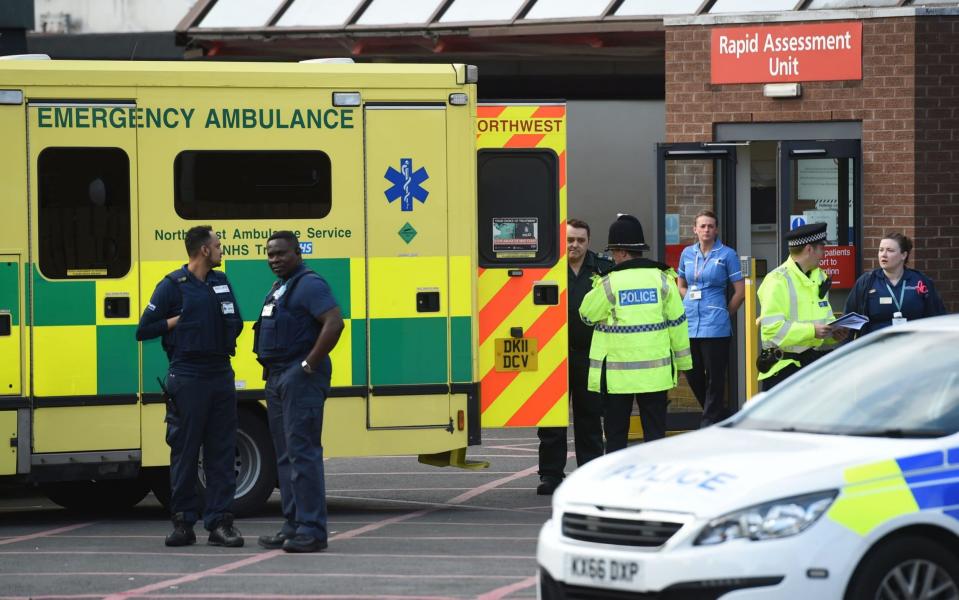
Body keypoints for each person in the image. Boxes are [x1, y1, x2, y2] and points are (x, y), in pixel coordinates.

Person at [135, 225, 244, 547]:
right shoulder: (172, 286)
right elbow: (143, 330)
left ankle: (221, 524)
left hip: (220, 373)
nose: (222, 250)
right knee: (184, 453)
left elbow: (235, 321)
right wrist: (175, 322)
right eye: (218, 245)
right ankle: (183, 523)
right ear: (204, 251)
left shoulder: (221, 282)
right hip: (187, 376)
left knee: (222, 454)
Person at [254, 231, 344, 553]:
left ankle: (312, 530)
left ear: (297, 254)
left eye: (280, 254)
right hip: (278, 379)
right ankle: (292, 524)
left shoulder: (309, 284)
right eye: (270, 255)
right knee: (285, 456)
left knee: (303, 454)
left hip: (300, 378)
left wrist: (307, 365)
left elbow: (333, 323)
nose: (274, 260)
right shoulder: (281, 287)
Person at [580, 214, 692, 452]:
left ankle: (619, 484)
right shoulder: (663, 279)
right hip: (656, 375)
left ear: (620, 252)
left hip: (618, 378)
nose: (612, 257)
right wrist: (682, 364)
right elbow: (678, 323)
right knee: (654, 435)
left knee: (617, 435)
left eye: (613, 252)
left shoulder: (610, 282)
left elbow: (586, 314)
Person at [536, 219, 612, 495]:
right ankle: (550, 475)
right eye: (570, 240)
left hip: (591, 354)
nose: (574, 245)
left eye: (580, 240)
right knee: (552, 419)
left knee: (590, 417)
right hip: (553, 355)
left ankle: (589, 473)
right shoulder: (548, 267)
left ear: (588, 241)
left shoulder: (603, 270)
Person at [757, 222, 847, 391]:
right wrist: (812, 331)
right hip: (783, 369)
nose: (824, 254)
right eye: (822, 248)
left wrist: (833, 333)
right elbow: (772, 330)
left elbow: (823, 318)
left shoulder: (820, 277)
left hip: (810, 366)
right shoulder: (777, 280)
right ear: (809, 249)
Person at [677, 210, 745, 427]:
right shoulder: (687, 254)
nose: (706, 230)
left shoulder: (727, 255)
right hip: (689, 322)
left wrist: (726, 312)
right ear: (695, 229)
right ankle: (721, 416)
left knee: (715, 378)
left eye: (710, 226)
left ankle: (707, 424)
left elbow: (740, 291)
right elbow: (680, 284)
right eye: (702, 226)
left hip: (715, 324)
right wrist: (687, 298)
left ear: (716, 230)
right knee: (693, 374)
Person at [845, 233, 946, 337]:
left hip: (913, 346)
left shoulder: (920, 281)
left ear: (904, 255)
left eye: (890, 250)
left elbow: (937, 318)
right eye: (881, 250)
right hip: (877, 348)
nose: (883, 254)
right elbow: (849, 322)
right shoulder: (866, 282)